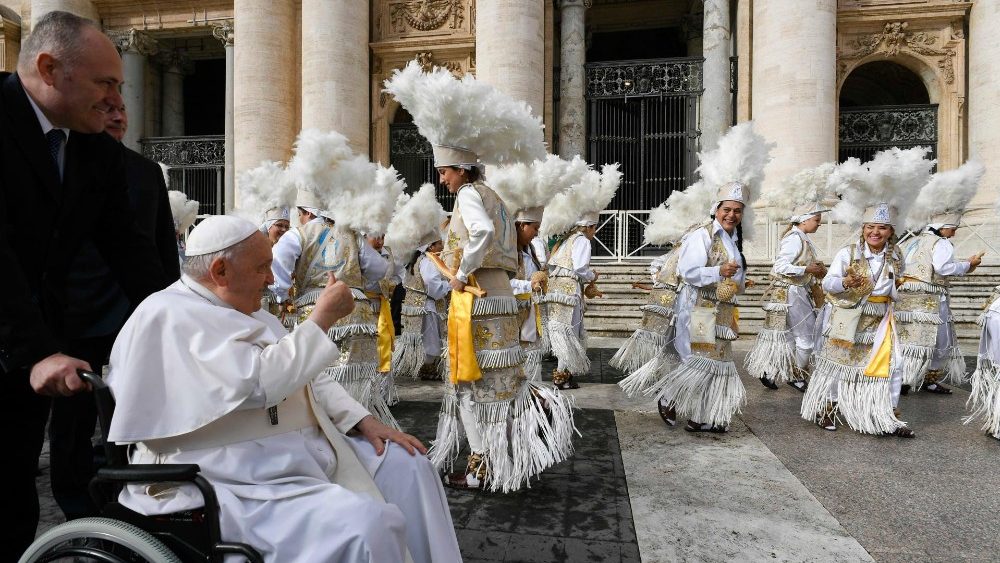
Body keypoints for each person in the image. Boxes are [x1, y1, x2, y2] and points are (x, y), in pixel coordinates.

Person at [106, 216, 462, 563]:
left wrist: (363, 420)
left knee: (409, 465)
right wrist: (320, 320)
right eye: (262, 267)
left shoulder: (249, 310)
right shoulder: (166, 315)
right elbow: (259, 384)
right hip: (234, 473)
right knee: (368, 526)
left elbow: (309, 378)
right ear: (220, 271)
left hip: (294, 452)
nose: (272, 278)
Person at [0, 11, 168, 558]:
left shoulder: (91, 144)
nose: (115, 99)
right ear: (50, 69)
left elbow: (129, 248)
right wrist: (39, 352)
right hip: (22, 338)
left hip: (35, 343)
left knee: (13, 490)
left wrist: (189, 316)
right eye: (106, 83)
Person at [385, 61, 573, 492]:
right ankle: (504, 460)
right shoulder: (495, 197)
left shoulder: (471, 194)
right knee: (498, 384)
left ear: (462, 170)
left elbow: (482, 234)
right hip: (501, 300)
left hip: (478, 300)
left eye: (444, 171)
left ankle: (482, 466)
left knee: (469, 384)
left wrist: (459, 273)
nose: (442, 178)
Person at [641, 123, 772, 433]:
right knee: (697, 361)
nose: (731, 215)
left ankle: (704, 417)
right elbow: (688, 272)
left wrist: (739, 281)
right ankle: (669, 396)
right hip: (695, 308)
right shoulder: (701, 236)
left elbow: (734, 275)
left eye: (737, 211)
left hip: (721, 311)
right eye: (727, 209)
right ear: (717, 209)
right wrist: (718, 272)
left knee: (715, 362)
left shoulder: (733, 242)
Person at [272, 132, 404, 429]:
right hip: (354, 309)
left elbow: (278, 266)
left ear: (309, 209)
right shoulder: (353, 234)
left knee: (319, 377)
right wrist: (354, 282)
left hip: (316, 309)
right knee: (355, 378)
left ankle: (325, 430)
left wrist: (283, 298)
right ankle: (358, 428)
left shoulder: (298, 233)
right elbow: (377, 269)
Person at [800, 147, 934, 437]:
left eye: (882, 228)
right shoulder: (847, 254)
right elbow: (828, 284)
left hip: (882, 319)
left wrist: (894, 290)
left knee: (892, 363)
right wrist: (845, 283)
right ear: (863, 229)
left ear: (890, 231)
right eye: (871, 227)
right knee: (840, 364)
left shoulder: (897, 255)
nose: (876, 233)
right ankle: (827, 407)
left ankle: (887, 414)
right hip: (849, 317)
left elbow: (896, 284)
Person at [896, 161, 985, 394]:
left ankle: (905, 377)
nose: (954, 232)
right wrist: (968, 264)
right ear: (944, 227)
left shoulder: (912, 240)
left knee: (911, 340)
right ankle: (927, 378)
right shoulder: (941, 242)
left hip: (907, 300)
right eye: (952, 228)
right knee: (941, 341)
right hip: (932, 300)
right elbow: (943, 268)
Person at [745, 163, 835, 392]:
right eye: (816, 219)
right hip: (791, 293)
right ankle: (796, 375)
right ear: (804, 220)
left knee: (788, 337)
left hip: (793, 292)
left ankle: (771, 371)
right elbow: (781, 265)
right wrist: (807, 270)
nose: (819, 223)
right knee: (807, 336)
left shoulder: (801, 237)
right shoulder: (795, 238)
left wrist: (813, 271)